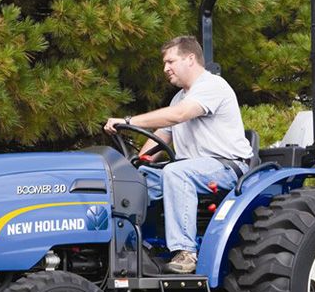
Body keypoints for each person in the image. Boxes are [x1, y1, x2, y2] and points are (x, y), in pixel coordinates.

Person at [104, 36, 252, 274]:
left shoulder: (212, 86)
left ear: (190, 59)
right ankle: (131, 245)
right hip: (191, 168)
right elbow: (160, 138)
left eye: (170, 61)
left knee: (176, 172)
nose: (165, 68)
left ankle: (186, 252)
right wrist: (135, 167)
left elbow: (179, 115)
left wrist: (128, 121)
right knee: (136, 181)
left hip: (225, 168)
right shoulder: (179, 97)